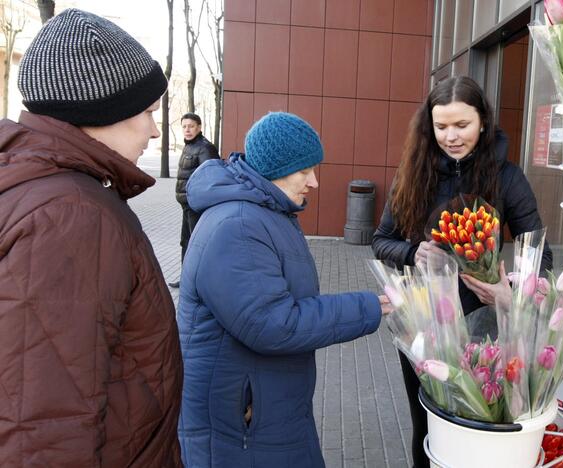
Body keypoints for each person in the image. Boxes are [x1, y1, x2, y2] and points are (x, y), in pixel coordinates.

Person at [0, 9, 182, 466]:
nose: (155, 129)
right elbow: (45, 427)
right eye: (147, 111)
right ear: (101, 111)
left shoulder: (54, 191)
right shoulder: (71, 217)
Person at [177, 112, 393, 467]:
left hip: (262, 405)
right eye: (305, 170)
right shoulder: (239, 226)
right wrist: (368, 307)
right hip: (242, 420)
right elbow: (274, 324)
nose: (315, 182)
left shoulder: (265, 212)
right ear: (275, 168)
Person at [372, 76, 553, 467]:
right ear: (429, 126)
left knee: (479, 423)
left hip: (485, 326)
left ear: (483, 122)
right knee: (427, 424)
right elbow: (380, 240)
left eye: (462, 125)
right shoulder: (413, 174)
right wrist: (412, 252)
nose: (451, 136)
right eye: (441, 127)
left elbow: (540, 257)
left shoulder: (507, 177)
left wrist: (509, 292)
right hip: (424, 324)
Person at [169, 112, 219, 288]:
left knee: (198, 245)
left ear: (199, 127)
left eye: (191, 126)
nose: (187, 129)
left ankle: (200, 283)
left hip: (197, 206)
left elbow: (211, 177)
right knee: (186, 243)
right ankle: (186, 280)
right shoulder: (189, 146)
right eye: (184, 126)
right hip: (186, 206)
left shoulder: (205, 148)